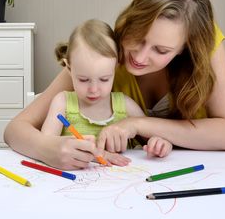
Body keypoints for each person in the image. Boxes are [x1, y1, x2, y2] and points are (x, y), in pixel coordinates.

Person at [4, 0, 225, 170]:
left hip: (216, 167)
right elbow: (16, 129)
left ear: (184, 49)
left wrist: (138, 124)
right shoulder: (103, 56)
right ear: (131, 20)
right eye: (138, 37)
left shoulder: (204, 45)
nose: (140, 57)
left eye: (161, 50)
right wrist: (47, 148)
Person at [40, 19, 173, 166]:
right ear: (69, 69)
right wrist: (95, 154)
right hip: (76, 183)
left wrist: (159, 143)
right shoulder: (62, 103)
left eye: (104, 79)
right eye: (83, 80)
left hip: (120, 182)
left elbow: (151, 136)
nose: (94, 89)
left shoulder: (125, 105)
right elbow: (46, 144)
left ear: (115, 68)